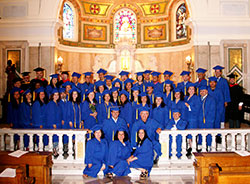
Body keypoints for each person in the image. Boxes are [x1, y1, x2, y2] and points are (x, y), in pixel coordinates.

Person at [198, 85, 216, 151]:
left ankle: (208, 146)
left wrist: (210, 119)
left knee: (208, 133)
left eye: (203, 91)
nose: (202, 92)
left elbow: (212, 110)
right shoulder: (199, 98)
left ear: (207, 91)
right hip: (200, 119)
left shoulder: (211, 99)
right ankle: (200, 146)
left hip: (208, 120)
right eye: (201, 91)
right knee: (200, 133)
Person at [46, 89, 63, 156]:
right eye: (55, 95)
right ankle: (54, 151)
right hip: (53, 124)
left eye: (57, 95)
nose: (56, 96)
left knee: (57, 138)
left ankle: (56, 150)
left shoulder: (57, 104)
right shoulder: (50, 104)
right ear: (52, 96)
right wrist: (53, 123)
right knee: (54, 138)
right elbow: (50, 114)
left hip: (58, 123)